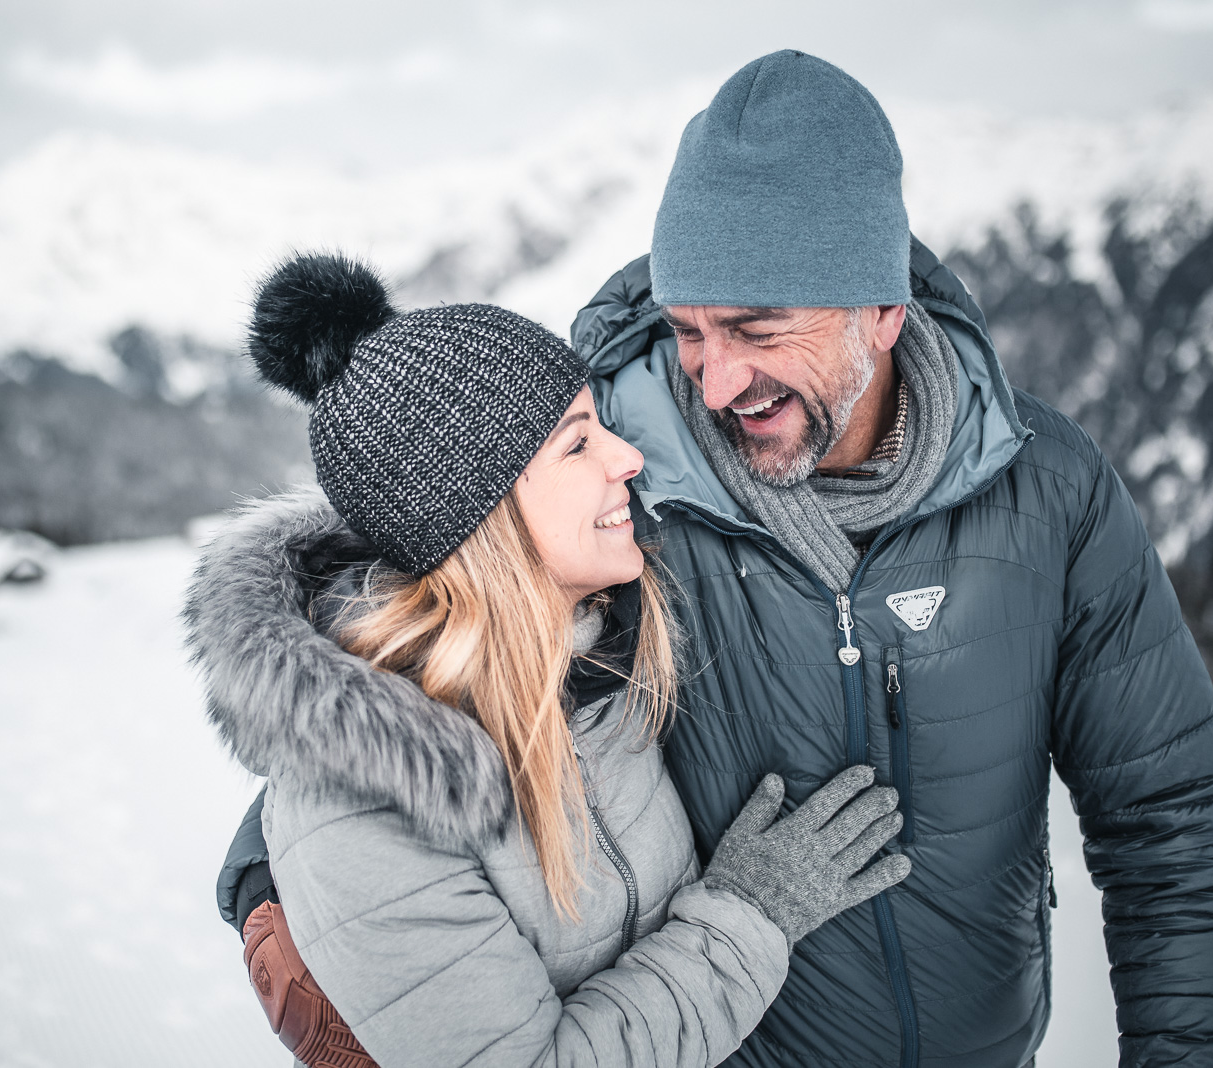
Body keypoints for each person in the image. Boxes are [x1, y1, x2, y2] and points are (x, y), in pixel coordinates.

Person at [218, 51, 1213, 1068]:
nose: (714, 383)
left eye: (755, 328)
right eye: (687, 332)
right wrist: (278, 896)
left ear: (880, 311)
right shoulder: (622, 499)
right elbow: (416, 626)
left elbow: (1166, 823)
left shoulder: (1044, 486)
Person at [184, 252, 911, 1068]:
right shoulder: (367, 811)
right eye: (577, 445)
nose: (626, 459)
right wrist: (749, 914)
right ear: (480, 521)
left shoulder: (598, 658)